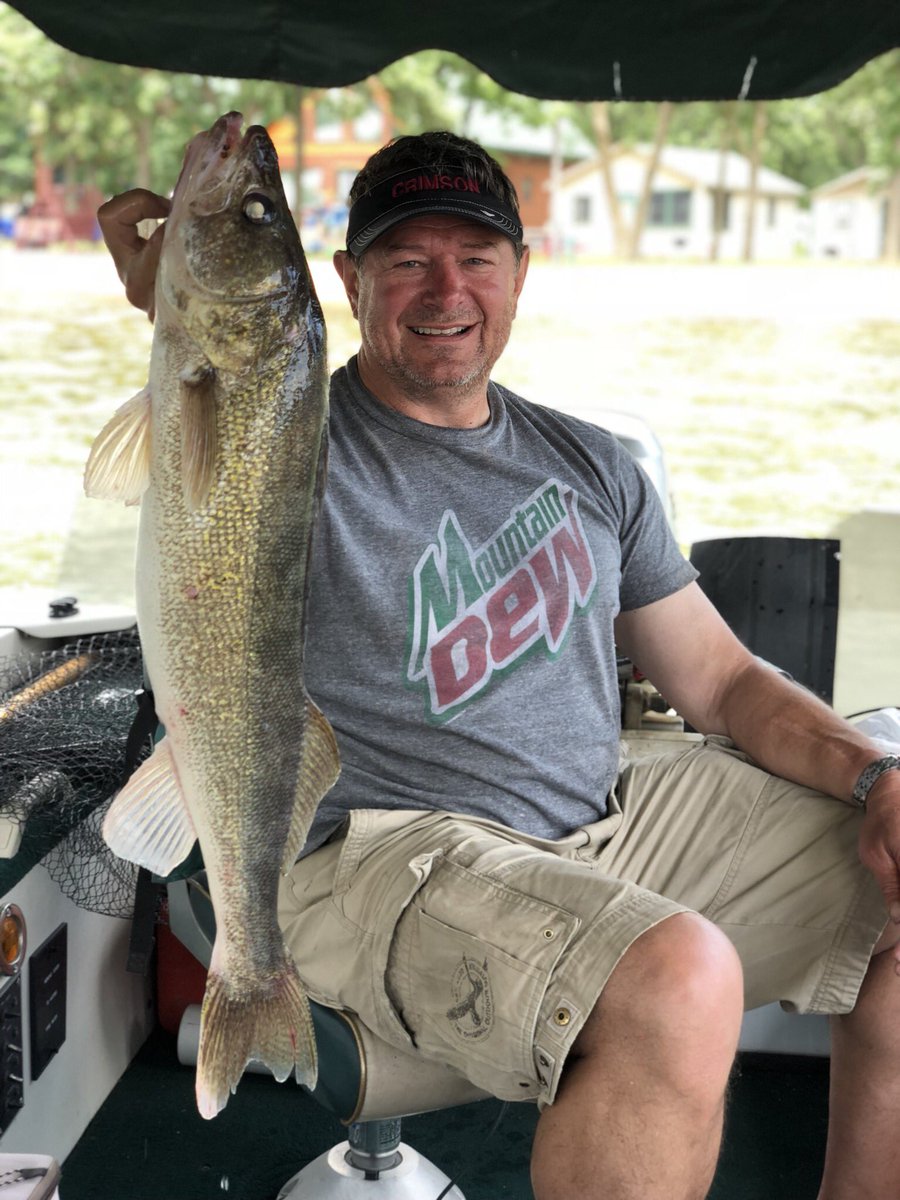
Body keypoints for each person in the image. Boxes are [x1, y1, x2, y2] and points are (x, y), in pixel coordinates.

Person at [99, 131, 900, 1200]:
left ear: (520, 275)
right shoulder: (292, 435)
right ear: (347, 282)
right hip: (386, 852)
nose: (446, 290)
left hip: (603, 821)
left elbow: (724, 684)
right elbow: (216, 416)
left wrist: (875, 777)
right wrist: (173, 308)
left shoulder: (591, 462)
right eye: (405, 260)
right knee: (679, 980)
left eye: (476, 258)